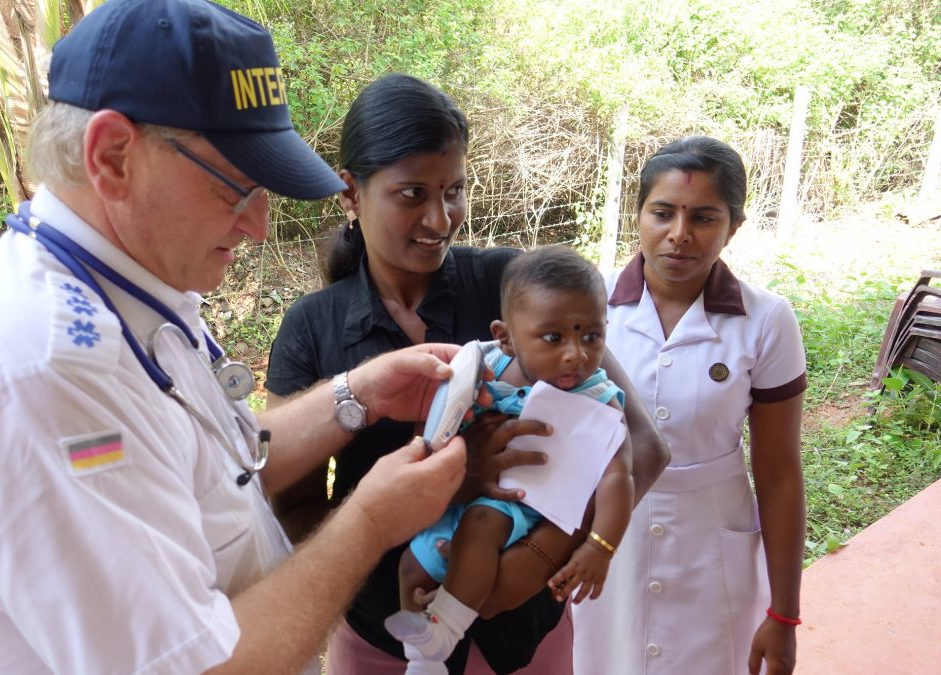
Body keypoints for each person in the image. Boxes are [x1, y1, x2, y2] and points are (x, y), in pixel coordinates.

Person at [0, 2, 481, 673]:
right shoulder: (42, 374)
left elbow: (209, 464)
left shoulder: (132, 294)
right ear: (113, 156)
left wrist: (356, 396)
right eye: (238, 187)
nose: (258, 224)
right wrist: (370, 520)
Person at [266, 73, 669, 674]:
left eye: (453, 190)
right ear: (350, 192)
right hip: (385, 641)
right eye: (412, 194)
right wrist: (418, 510)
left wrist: (541, 553)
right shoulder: (312, 328)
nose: (440, 217)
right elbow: (289, 501)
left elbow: (641, 444)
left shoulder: (517, 289)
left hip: (523, 637)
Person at [571, 136, 807, 675]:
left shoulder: (766, 320)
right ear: (638, 216)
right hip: (609, 533)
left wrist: (785, 613)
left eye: (704, 217)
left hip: (713, 543)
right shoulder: (587, 306)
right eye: (662, 213)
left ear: (734, 226)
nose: (679, 235)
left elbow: (777, 475)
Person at [385, 246, 635, 675]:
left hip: (518, 502)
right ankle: (423, 662)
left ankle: (442, 634)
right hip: (455, 501)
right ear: (505, 336)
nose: (576, 353)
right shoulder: (483, 364)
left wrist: (601, 546)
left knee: (483, 526)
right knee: (411, 568)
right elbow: (436, 422)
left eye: (591, 336)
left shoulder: (598, 397)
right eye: (554, 338)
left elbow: (618, 475)